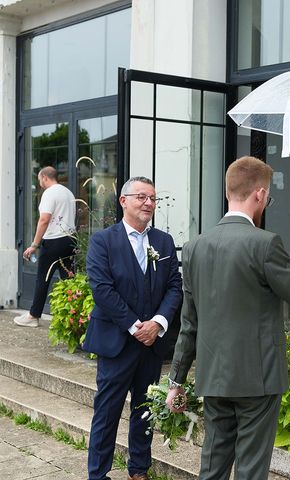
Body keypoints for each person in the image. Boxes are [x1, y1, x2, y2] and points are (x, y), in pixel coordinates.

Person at [166, 156, 290, 480]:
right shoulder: (265, 244)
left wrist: (175, 380)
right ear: (260, 194)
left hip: (214, 377)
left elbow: (189, 323)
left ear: (228, 192)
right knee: (251, 471)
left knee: (213, 468)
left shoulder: (194, 247)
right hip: (258, 380)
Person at [83, 176, 182, 480]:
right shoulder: (103, 241)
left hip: (151, 345)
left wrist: (158, 323)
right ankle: (98, 475)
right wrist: (134, 325)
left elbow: (175, 287)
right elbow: (101, 289)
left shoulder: (163, 242)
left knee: (145, 411)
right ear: (123, 201)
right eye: (141, 197)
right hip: (117, 342)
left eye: (153, 198)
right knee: (107, 412)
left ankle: (138, 470)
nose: (149, 203)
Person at [14, 166, 76, 327]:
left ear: (45, 177)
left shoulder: (49, 193)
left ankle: (33, 316)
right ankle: (76, 317)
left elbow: (44, 220)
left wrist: (34, 245)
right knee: (69, 280)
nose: (39, 181)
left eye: (39, 178)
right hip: (70, 240)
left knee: (43, 279)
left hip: (54, 241)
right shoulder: (68, 193)